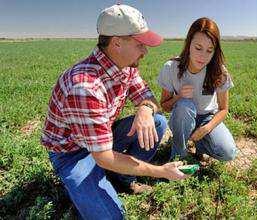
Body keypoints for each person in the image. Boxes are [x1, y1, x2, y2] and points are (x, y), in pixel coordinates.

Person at [41, 4, 187, 219]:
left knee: (156, 122)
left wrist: (146, 110)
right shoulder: (84, 88)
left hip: (102, 139)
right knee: (112, 217)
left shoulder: (126, 66)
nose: (145, 51)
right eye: (140, 45)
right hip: (72, 153)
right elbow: (104, 157)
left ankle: (121, 177)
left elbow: (147, 96)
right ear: (117, 43)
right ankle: (88, 181)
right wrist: (160, 171)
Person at [157, 17, 237, 162]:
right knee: (184, 106)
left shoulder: (219, 72)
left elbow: (224, 109)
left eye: (209, 50)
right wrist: (178, 96)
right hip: (182, 117)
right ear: (189, 44)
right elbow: (165, 106)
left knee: (228, 153)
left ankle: (199, 143)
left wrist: (207, 128)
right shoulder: (171, 67)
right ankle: (178, 154)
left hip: (207, 118)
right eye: (198, 48)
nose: (203, 56)